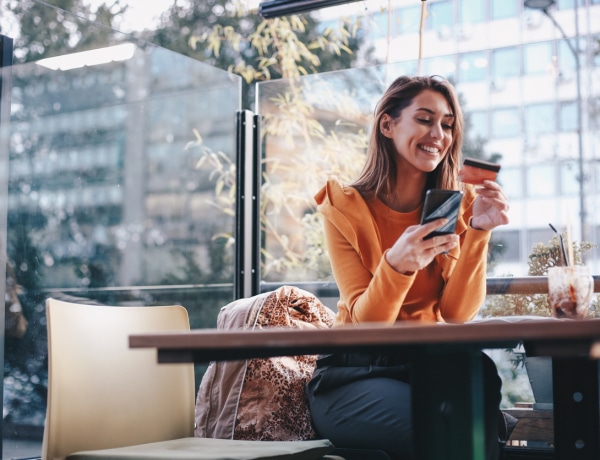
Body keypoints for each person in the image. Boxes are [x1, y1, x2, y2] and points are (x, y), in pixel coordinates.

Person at [305, 75, 513, 460]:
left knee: (477, 381)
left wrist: (480, 231)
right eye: (424, 119)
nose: (438, 134)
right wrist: (396, 266)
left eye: (447, 124)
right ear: (388, 125)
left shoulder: (457, 205)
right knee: (447, 432)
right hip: (352, 375)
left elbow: (456, 313)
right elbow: (367, 326)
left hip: (422, 364)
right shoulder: (345, 206)